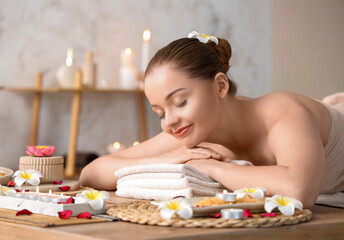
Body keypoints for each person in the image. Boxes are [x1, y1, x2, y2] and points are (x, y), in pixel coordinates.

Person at [79, 31, 344, 208]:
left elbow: (299, 190)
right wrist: (163, 161)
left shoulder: (284, 113)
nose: (169, 121)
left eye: (180, 102)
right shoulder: (190, 132)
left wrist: (214, 169)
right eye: (159, 112)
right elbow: (91, 173)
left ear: (220, 87)